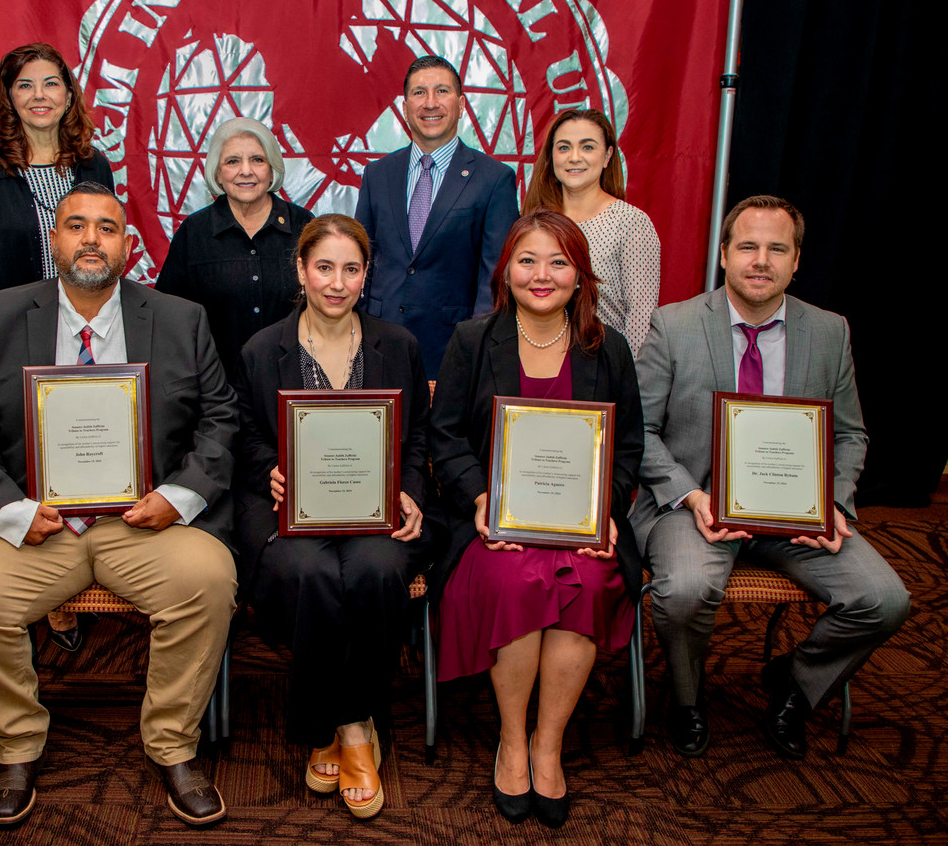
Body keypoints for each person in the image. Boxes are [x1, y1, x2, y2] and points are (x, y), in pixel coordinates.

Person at [0, 182, 238, 828]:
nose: (92, 238)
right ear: (55, 239)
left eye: (107, 227)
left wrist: (177, 498)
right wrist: (12, 510)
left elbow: (220, 419)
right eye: (77, 225)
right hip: (34, 523)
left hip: (143, 523)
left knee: (208, 578)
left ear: (128, 245)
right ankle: (17, 742)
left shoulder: (181, 318)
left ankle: (173, 743)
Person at [630, 194, 910, 761]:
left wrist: (831, 502)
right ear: (726, 255)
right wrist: (691, 495)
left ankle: (795, 684)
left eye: (776, 249)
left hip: (797, 512)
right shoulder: (675, 324)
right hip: (695, 506)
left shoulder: (830, 331)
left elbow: (851, 434)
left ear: (796, 260)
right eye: (749, 246)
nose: (762, 260)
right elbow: (639, 428)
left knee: (885, 600)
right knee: (683, 591)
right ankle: (686, 700)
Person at [431, 210, 643, 828]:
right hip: (492, 524)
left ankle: (548, 745)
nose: (542, 274)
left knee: (589, 579)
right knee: (514, 579)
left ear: (580, 277)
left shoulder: (609, 348)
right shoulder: (474, 340)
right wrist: (477, 498)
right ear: (507, 271)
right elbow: (444, 438)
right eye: (528, 260)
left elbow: (627, 447)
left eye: (558, 262)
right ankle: (513, 741)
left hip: (582, 524)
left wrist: (605, 513)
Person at [232, 215, 434, 819]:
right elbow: (243, 434)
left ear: (366, 274)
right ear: (300, 270)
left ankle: (335, 727)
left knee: (374, 569)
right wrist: (269, 465)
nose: (337, 283)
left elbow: (418, 434)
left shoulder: (397, 345)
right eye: (324, 267)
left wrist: (413, 491)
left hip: (378, 507)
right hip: (285, 508)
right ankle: (349, 726)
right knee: (312, 574)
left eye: (351, 269)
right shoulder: (262, 349)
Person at [0, 41, 115, 649]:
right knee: (21, 442)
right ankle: (41, 578)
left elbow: (109, 247)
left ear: (69, 95)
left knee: (76, 440)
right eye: (26, 85)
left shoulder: (93, 165)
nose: (40, 95)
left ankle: (81, 549)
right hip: (13, 330)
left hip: (85, 325)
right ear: (8, 98)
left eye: (51, 83)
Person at [355, 54, 519, 378]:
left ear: (461, 104)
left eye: (442, 91)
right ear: (404, 107)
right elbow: (362, 263)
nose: (430, 103)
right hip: (378, 348)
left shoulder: (493, 179)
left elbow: (495, 278)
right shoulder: (377, 174)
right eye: (419, 93)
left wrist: (473, 354)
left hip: (453, 354)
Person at [154, 117, 313, 377]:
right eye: (232, 161)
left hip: (292, 385)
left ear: (272, 169)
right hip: (216, 390)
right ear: (217, 172)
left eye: (258, 160)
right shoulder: (194, 233)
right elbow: (169, 319)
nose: (246, 171)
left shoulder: (304, 226)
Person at [523, 109, 660, 356]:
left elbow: (642, 318)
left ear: (607, 155)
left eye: (587, 147)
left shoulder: (631, 222)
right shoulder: (535, 221)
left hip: (601, 365)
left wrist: (624, 377)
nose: (574, 158)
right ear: (551, 156)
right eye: (563, 148)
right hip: (536, 360)